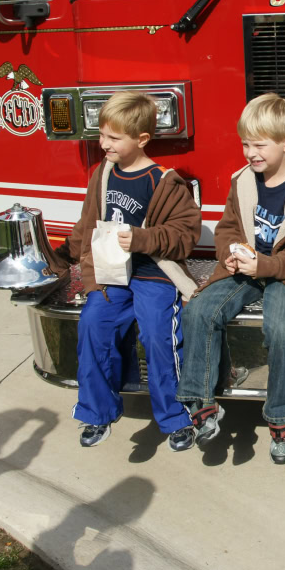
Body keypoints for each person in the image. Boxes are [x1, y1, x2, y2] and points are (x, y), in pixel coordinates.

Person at [175, 92, 285, 465]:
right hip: (248, 267)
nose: (251, 153)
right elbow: (227, 228)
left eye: (259, 144)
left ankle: (281, 419)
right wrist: (231, 254)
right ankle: (203, 404)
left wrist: (264, 266)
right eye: (245, 144)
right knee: (199, 311)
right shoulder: (243, 182)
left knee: (280, 327)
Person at [50, 91, 202, 451]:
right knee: (93, 325)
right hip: (110, 276)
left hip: (154, 273)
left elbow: (185, 237)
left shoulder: (164, 181)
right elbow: (86, 226)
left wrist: (142, 238)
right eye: (102, 135)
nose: (104, 144)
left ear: (142, 139)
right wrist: (58, 260)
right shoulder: (101, 175)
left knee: (157, 335)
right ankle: (97, 413)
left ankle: (177, 418)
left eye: (113, 138)